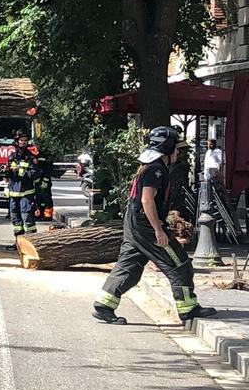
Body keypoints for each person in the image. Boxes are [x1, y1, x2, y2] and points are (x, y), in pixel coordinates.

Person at [93, 127, 217, 325]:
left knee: (130, 267)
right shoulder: (156, 169)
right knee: (179, 263)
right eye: (176, 148)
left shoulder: (148, 165)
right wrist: (158, 230)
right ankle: (188, 309)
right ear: (167, 149)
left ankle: (103, 305)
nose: (177, 153)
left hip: (135, 224)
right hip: (146, 227)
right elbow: (146, 200)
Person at [4, 129, 38, 247]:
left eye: (25, 140)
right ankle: (19, 243)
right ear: (17, 141)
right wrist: (7, 171)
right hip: (13, 194)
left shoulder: (31, 157)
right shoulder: (12, 157)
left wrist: (20, 171)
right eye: (21, 140)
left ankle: (32, 244)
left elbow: (35, 173)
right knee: (16, 220)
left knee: (27, 217)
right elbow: (7, 176)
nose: (23, 142)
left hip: (26, 194)